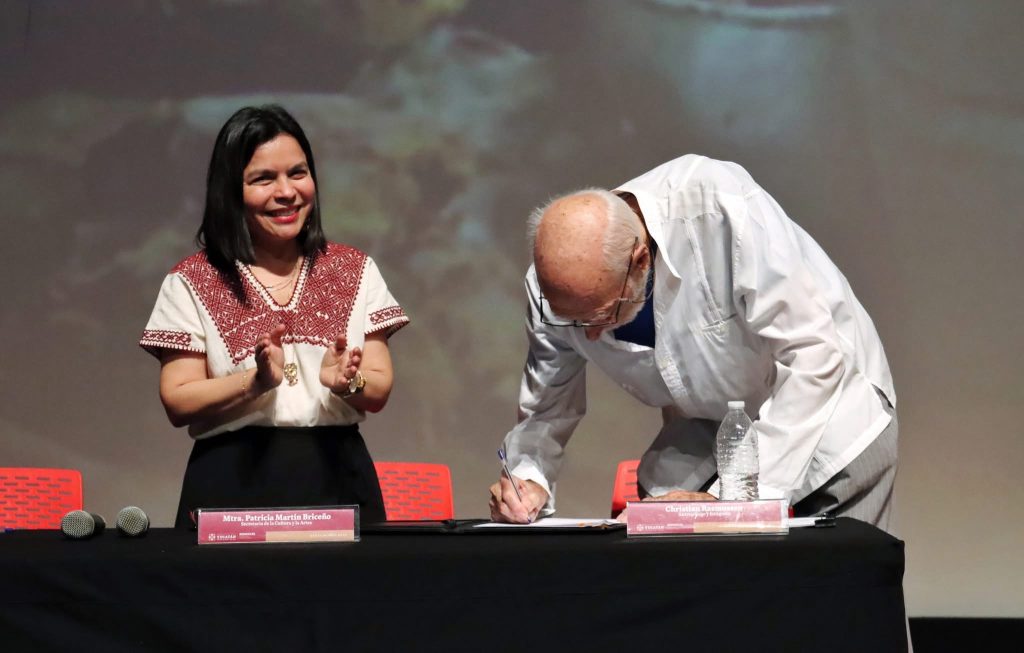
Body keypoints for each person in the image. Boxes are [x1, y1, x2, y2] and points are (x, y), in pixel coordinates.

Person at [489, 154, 898, 532]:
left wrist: (730, 502)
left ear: (640, 261)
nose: (590, 335)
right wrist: (527, 478)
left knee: (838, 577)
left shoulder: (718, 208)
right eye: (571, 320)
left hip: (825, 407)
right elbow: (546, 406)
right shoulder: (553, 292)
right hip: (710, 427)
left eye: (601, 316)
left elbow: (813, 355)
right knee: (674, 555)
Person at [140, 105, 408, 528]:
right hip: (231, 483)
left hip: (338, 478)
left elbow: (377, 389)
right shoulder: (192, 280)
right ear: (230, 191)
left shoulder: (354, 270)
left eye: (298, 173)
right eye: (263, 179)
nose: (286, 192)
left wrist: (347, 383)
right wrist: (256, 382)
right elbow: (178, 399)